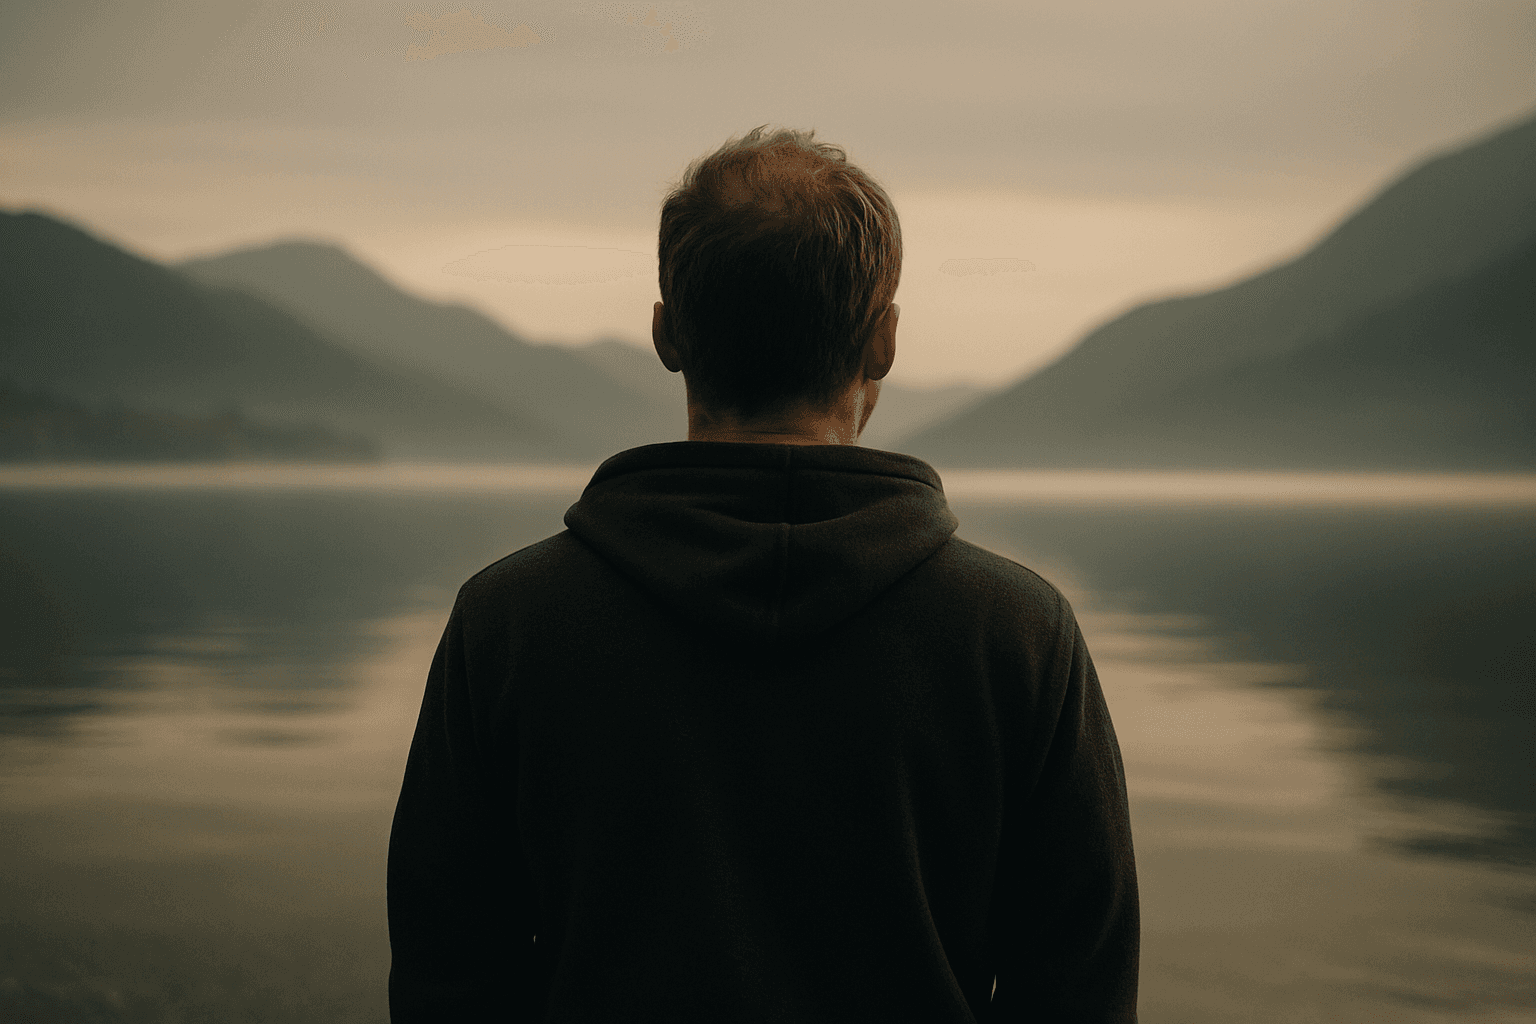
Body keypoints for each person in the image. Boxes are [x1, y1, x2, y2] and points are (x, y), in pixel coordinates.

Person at [387, 125, 1139, 1022]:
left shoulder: (506, 624)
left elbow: (448, 977)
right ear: (884, 341)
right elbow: (1078, 995)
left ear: (667, 332)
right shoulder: (1019, 633)